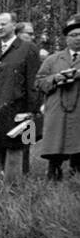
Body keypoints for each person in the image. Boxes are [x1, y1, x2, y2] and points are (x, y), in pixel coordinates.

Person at [0, 12, 42, 174]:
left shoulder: (28, 49)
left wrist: (31, 112)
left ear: (14, 26)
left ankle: (17, 191)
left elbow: (34, 83)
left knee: (19, 155)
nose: (0, 27)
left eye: (3, 24)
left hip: (20, 112)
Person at [36, 16, 80, 180]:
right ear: (66, 38)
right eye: (73, 35)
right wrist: (55, 79)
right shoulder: (52, 59)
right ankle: (54, 176)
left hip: (78, 110)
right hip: (57, 110)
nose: (78, 38)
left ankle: (75, 180)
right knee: (56, 146)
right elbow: (38, 82)